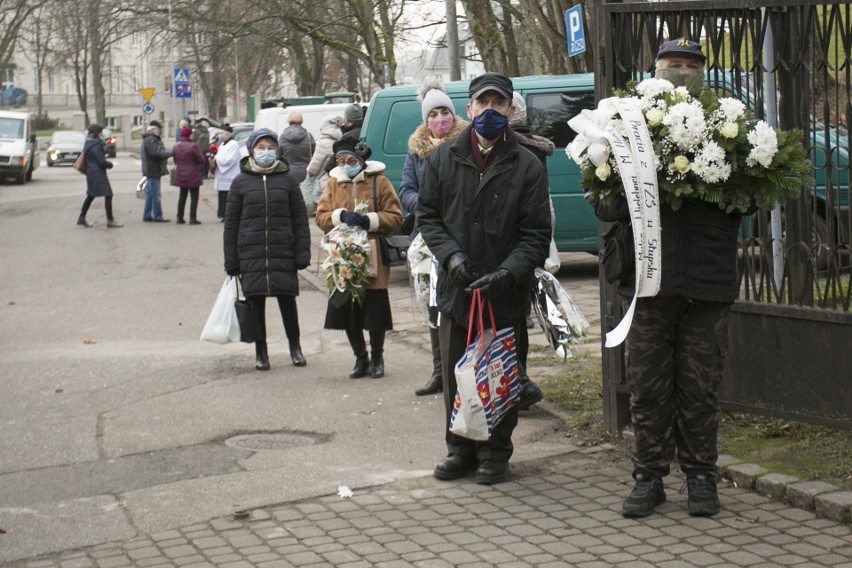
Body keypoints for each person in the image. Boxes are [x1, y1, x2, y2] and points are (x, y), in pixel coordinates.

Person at [591, 38, 737, 518]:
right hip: (648, 281)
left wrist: (708, 179)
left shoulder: (730, 128)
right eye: (673, 64)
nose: (682, 72)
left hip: (706, 279)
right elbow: (605, 202)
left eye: (692, 65)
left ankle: (700, 477)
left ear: (703, 73)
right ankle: (649, 477)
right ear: (654, 70)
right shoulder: (628, 125)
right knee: (648, 386)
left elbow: (749, 198)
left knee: (699, 388)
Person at [416, 72, 551, 485]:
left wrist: (509, 272)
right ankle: (460, 448)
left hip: (504, 290)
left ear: (509, 111)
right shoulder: (443, 158)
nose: (489, 111)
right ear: (469, 109)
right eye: (482, 103)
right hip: (457, 289)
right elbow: (428, 217)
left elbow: (536, 234)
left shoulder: (526, 163)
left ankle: (496, 451)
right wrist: (451, 257)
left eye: (498, 104)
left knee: (501, 371)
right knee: (459, 370)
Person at [397, 79, 467, 397]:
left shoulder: (466, 144)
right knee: (432, 305)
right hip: (426, 238)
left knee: (460, 304)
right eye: (433, 114)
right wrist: (425, 205)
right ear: (425, 121)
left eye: (444, 112)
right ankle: (440, 371)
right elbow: (406, 190)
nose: (440, 119)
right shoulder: (417, 152)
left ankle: (463, 370)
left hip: (460, 235)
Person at [315, 136, 403, 379]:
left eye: (351, 159)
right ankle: (360, 358)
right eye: (341, 160)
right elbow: (320, 216)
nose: (346, 164)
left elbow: (396, 216)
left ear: (361, 160)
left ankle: (377, 358)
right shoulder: (334, 183)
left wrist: (369, 220)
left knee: (374, 311)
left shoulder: (379, 181)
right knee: (347, 311)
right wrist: (339, 216)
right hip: (342, 256)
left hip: (372, 252)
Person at [223, 129, 311, 371]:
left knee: (287, 302)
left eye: (270, 147)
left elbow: (300, 219)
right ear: (251, 150)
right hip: (250, 254)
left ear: (278, 150)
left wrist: (302, 252)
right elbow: (231, 224)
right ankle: (261, 352)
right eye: (260, 147)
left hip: (283, 250)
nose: (266, 152)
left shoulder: (288, 180)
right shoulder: (240, 182)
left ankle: (295, 347)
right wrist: (231, 260)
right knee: (255, 304)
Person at [508, 91, 556, 411]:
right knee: (516, 321)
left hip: (515, 248)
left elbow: (539, 209)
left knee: (511, 321)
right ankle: (517, 381)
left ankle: (516, 382)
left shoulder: (525, 151)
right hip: (522, 249)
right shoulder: (533, 147)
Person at [77, 123, 122, 229]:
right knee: (108, 194)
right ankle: (110, 220)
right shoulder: (95, 145)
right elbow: (101, 161)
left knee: (91, 195)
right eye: (101, 132)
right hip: (97, 173)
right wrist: (109, 164)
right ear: (97, 133)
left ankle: (81, 217)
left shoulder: (89, 143)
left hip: (91, 173)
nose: (102, 134)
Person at [172, 126, 206, 224]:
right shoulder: (193, 146)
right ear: (189, 135)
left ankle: (179, 217)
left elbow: (175, 160)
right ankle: (192, 218)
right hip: (192, 174)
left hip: (180, 173)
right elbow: (201, 159)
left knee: (182, 196)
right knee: (194, 197)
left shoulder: (176, 146)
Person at [141, 120, 173, 223]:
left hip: (150, 169)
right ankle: (158, 216)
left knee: (150, 194)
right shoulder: (151, 140)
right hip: (153, 170)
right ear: (154, 129)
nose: (160, 132)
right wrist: (170, 153)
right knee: (155, 195)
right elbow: (156, 153)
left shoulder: (148, 139)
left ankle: (147, 215)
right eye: (159, 130)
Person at [306, 114, 344, 193]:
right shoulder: (340, 141)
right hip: (338, 181)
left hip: (324, 184)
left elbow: (313, 169)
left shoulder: (323, 143)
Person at [278, 110, 315, 185]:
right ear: (301, 120)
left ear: (288, 120)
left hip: (288, 172)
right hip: (306, 173)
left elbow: (278, 156)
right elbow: (314, 154)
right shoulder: (308, 136)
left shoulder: (282, 137)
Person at [213, 123, 241, 222]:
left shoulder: (233, 144)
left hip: (230, 175)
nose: (219, 135)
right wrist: (214, 159)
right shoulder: (222, 145)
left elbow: (230, 160)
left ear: (227, 134)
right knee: (222, 197)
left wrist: (217, 160)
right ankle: (223, 215)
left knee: (229, 197)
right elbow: (219, 156)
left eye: (221, 133)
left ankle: (229, 215)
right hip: (222, 174)